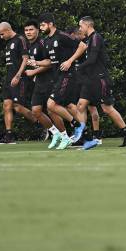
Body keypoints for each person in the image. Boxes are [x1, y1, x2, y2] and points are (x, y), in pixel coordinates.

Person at [74, 17, 126, 149]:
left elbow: (92, 59)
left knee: (107, 108)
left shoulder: (96, 37)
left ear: (87, 25)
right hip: (90, 80)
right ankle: (86, 138)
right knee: (80, 105)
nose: (80, 29)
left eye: (81, 26)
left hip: (100, 79)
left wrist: (77, 67)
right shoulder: (88, 39)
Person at [30, 14, 77, 150]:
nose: (41, 28)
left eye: (42, 25)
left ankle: (73, 129)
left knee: (53, 107)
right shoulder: (47, 41)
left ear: (50, 24)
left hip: (61, 78)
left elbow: (82, 46)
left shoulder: (61, 36)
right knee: (40, 109)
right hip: (56, 78)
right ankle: (59, 134)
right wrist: (36, 63)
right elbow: (49, 61)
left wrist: (69, 61)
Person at [0, 21, 34, 144]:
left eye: (2, 34)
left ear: (7, 30)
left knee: (17, 107)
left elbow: (25, 59)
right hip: (9, 79)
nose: (1, 37)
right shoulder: (8, 43)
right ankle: (9, 135)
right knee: (6, 105)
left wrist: (18, 75)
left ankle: (42, 123)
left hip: (19, 78)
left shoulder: (20, 39)